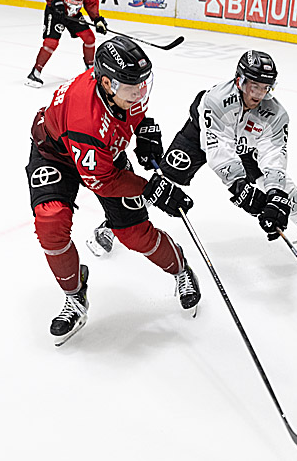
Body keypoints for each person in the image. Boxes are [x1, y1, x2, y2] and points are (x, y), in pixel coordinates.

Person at [25, 35, 201, 346]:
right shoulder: (86, 119)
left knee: (134, 234)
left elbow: (134, 111)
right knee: (51, 221)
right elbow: (102, 180)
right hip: (57, 155)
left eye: (143, 84)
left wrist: (145, 129)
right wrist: (152, 189)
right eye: (133, 87)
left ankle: (179, 267)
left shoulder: (126, 89)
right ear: (107, 84)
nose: (140, 92)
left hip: (100, 153)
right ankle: (75, 296)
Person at [90, 50, 297, 266]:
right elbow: (216, 148)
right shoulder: (216, 99)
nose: (259, 94)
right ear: (240, 80)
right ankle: (114, 224)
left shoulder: (276, 114)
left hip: (246, 147)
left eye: (265, 88)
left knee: (288, 193)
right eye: (253, 86)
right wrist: (239, 187)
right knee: (163, 182)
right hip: (199, 136)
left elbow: (274, 154)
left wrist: (275, 193)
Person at [25, 0, 108, 88]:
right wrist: (55, 2)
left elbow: (91, 3)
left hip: (73, 14)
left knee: (90, 38)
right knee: (51, 43)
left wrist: (97, 19)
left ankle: (89, 71)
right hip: (56, 13)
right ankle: (35, 73)